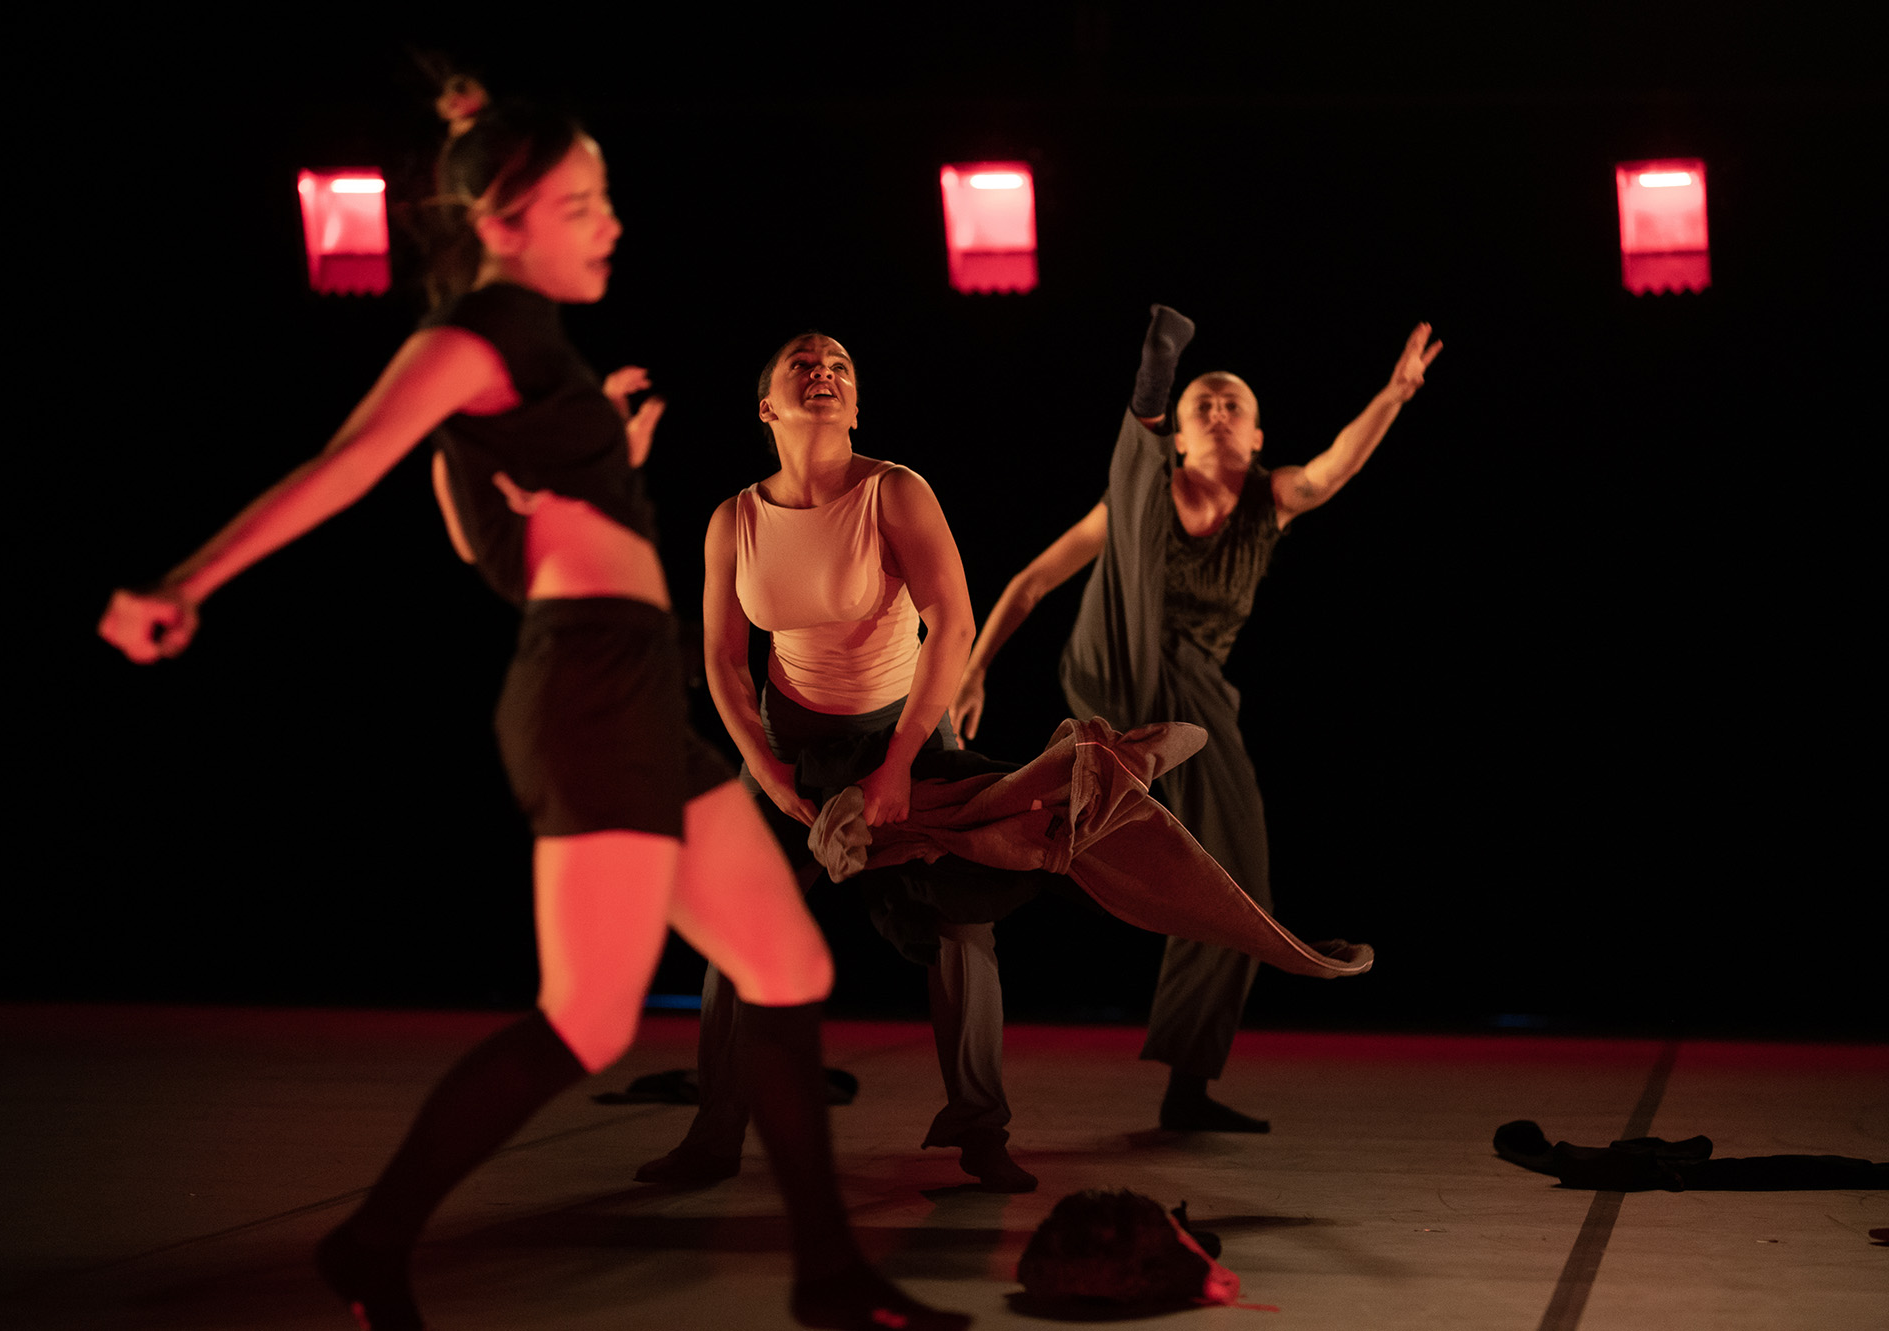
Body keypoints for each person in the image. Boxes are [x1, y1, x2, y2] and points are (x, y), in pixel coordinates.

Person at [98, 99, 969, 1331]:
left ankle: (826, 1273)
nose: (608, 222)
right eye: (579, 204)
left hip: (625, 683)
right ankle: (371, 1238)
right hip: (584, 689)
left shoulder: (531, 346)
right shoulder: (467, 338)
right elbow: (348, 462)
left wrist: (600, 451)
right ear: (502, 224)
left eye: (605, 198)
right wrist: (186, 583)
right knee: (589, 1016)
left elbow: (500, 528)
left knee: (785, 965)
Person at [951, 305, 1440, 1134]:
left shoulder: (1270, 498)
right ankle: (1145, 393)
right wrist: (973, 671)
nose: (1217, 412)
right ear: (1179, 435)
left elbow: (1332, 469)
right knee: (1134, 504)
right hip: (1112, 662)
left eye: (1231, 405)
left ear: (1256, 436)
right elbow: (1032, 582)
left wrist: (1393, 394)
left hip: (1195, 694)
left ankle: (1188, 1084)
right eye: (1201, 404)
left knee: (1236, 873)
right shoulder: (1144, 496)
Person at [636, 331, 1039, 1194]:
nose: (824, 372)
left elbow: (952, 624)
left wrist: (899, 765)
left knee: (962, 924)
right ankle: (715, 1131)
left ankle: (981, 1126)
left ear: (856, 407)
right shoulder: (735, 519)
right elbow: (722, 658)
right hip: (788, 738)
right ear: (767, 407)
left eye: (841, 368)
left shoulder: (894, 491)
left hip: (906, 731)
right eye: (804, 364)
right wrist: (767, 770)